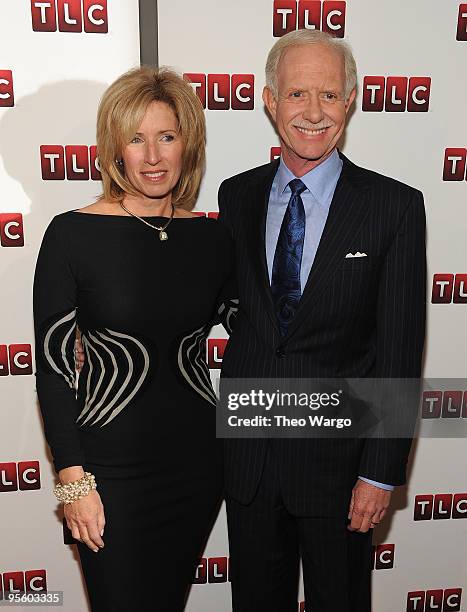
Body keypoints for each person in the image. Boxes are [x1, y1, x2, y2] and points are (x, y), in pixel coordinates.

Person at [217, 30, 426, 611]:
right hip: (251, 461)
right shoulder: (236, 198)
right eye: (297, 94)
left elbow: (400, 351)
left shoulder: (394, 207)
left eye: (330, 95)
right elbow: (215, 305)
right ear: (268, 100)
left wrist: (381, 473)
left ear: (352, 101)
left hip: (342, 471)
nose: (313, 113)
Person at [33, 66, 236, 612]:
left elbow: (262, 333)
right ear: (114, 149)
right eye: (136, 138)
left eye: (166, 136)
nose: (152, 156)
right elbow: (53, 370)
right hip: (109, 476)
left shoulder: (213, 238)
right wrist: (74, 482)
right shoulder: (72, 234)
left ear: (187, 142)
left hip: (197, 468)